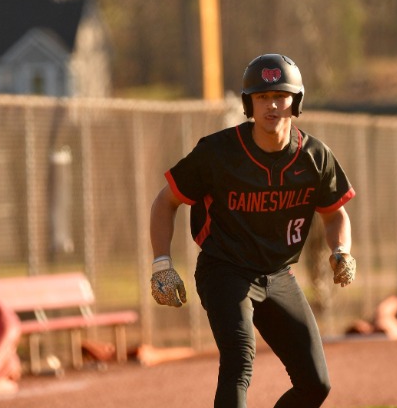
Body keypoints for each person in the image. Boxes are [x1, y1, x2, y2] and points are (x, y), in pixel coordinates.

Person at [149, 53, 356, 408]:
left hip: (278, 274)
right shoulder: (218, 152)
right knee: (239, 361)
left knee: (316, 384)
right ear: (249, 104)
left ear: (296, 101)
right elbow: (165, 202)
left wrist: (341, 251)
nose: (271, 105)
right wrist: (161, 265)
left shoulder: (314, 156)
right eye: (262, 96)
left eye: (280, 95)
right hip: (224, 268)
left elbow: (335, 214)